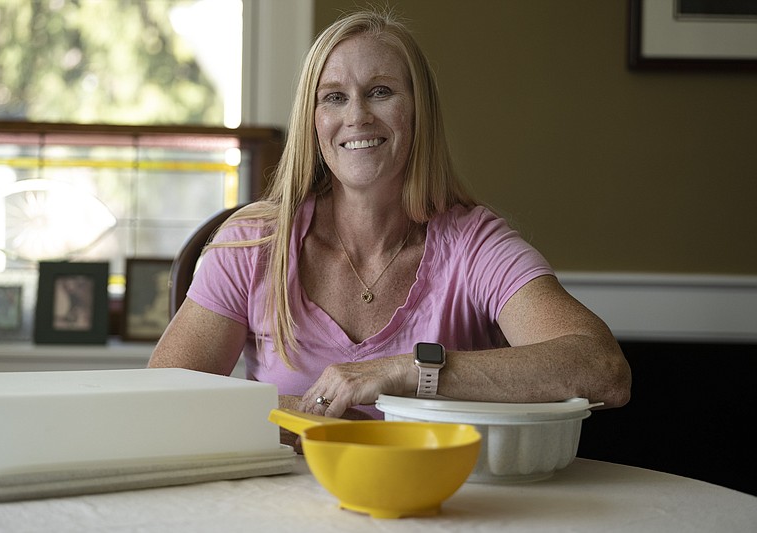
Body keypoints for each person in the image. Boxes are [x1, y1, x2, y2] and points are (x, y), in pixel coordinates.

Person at [149, 10, 631, 447]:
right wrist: (299, 417)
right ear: (313, 124)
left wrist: (406, 371)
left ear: (418, 112)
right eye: (334, 97)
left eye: (380, 91)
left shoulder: (475, 245)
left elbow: (603, 369)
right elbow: (159, 401)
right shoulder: (253, 244)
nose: (356, 115)